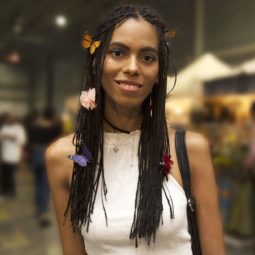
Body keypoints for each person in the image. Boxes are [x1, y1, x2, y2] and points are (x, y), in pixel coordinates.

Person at [46, 4, 225, 255]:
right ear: (96, 60)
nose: (133, 67)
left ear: (158, 71)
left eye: (148, 57)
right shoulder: (63, 157)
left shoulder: (190, 149)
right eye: (118, 52)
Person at [29, 107, 62, 226]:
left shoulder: (34, 126)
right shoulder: (54, 127)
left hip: (35, 153)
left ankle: (38, 209)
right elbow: (59, 139)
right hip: (47, 153)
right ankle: (43, 214)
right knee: (44, 185)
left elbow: (30, 140)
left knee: (38, 183)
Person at [0, 113, 26, 197]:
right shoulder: (4, 128)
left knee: (11, 174)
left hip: (14, 156)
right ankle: (4, 191)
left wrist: (10, 137)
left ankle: (11, 192)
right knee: (4, 174)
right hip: (4, 155)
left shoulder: (18, 129)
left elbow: (22, 141)